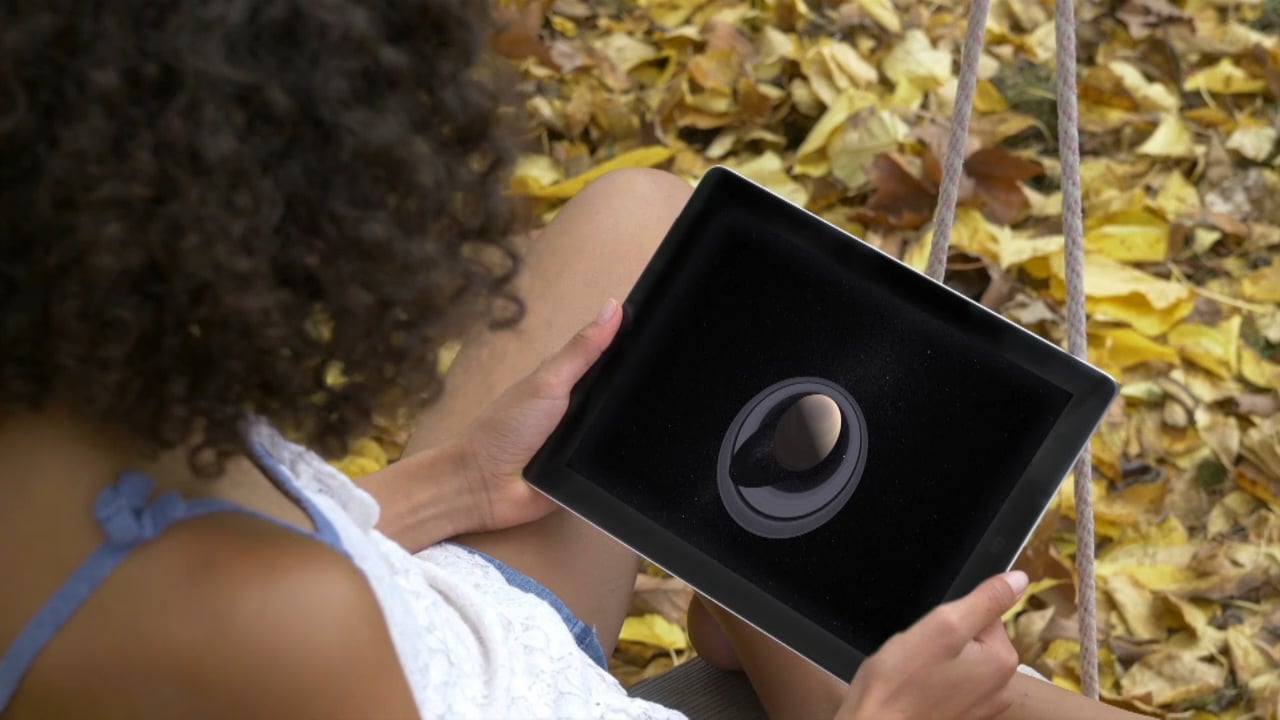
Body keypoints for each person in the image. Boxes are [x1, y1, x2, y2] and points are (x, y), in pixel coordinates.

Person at [0, 2, 1149, 718]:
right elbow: (257, 608)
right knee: (963, 680)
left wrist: (451, 487)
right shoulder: (282, 629)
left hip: (431, 621)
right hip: (462, 677)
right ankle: (788, 648)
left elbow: (218, 553)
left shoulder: (56, 380)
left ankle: (767, 618)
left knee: (642, 225)